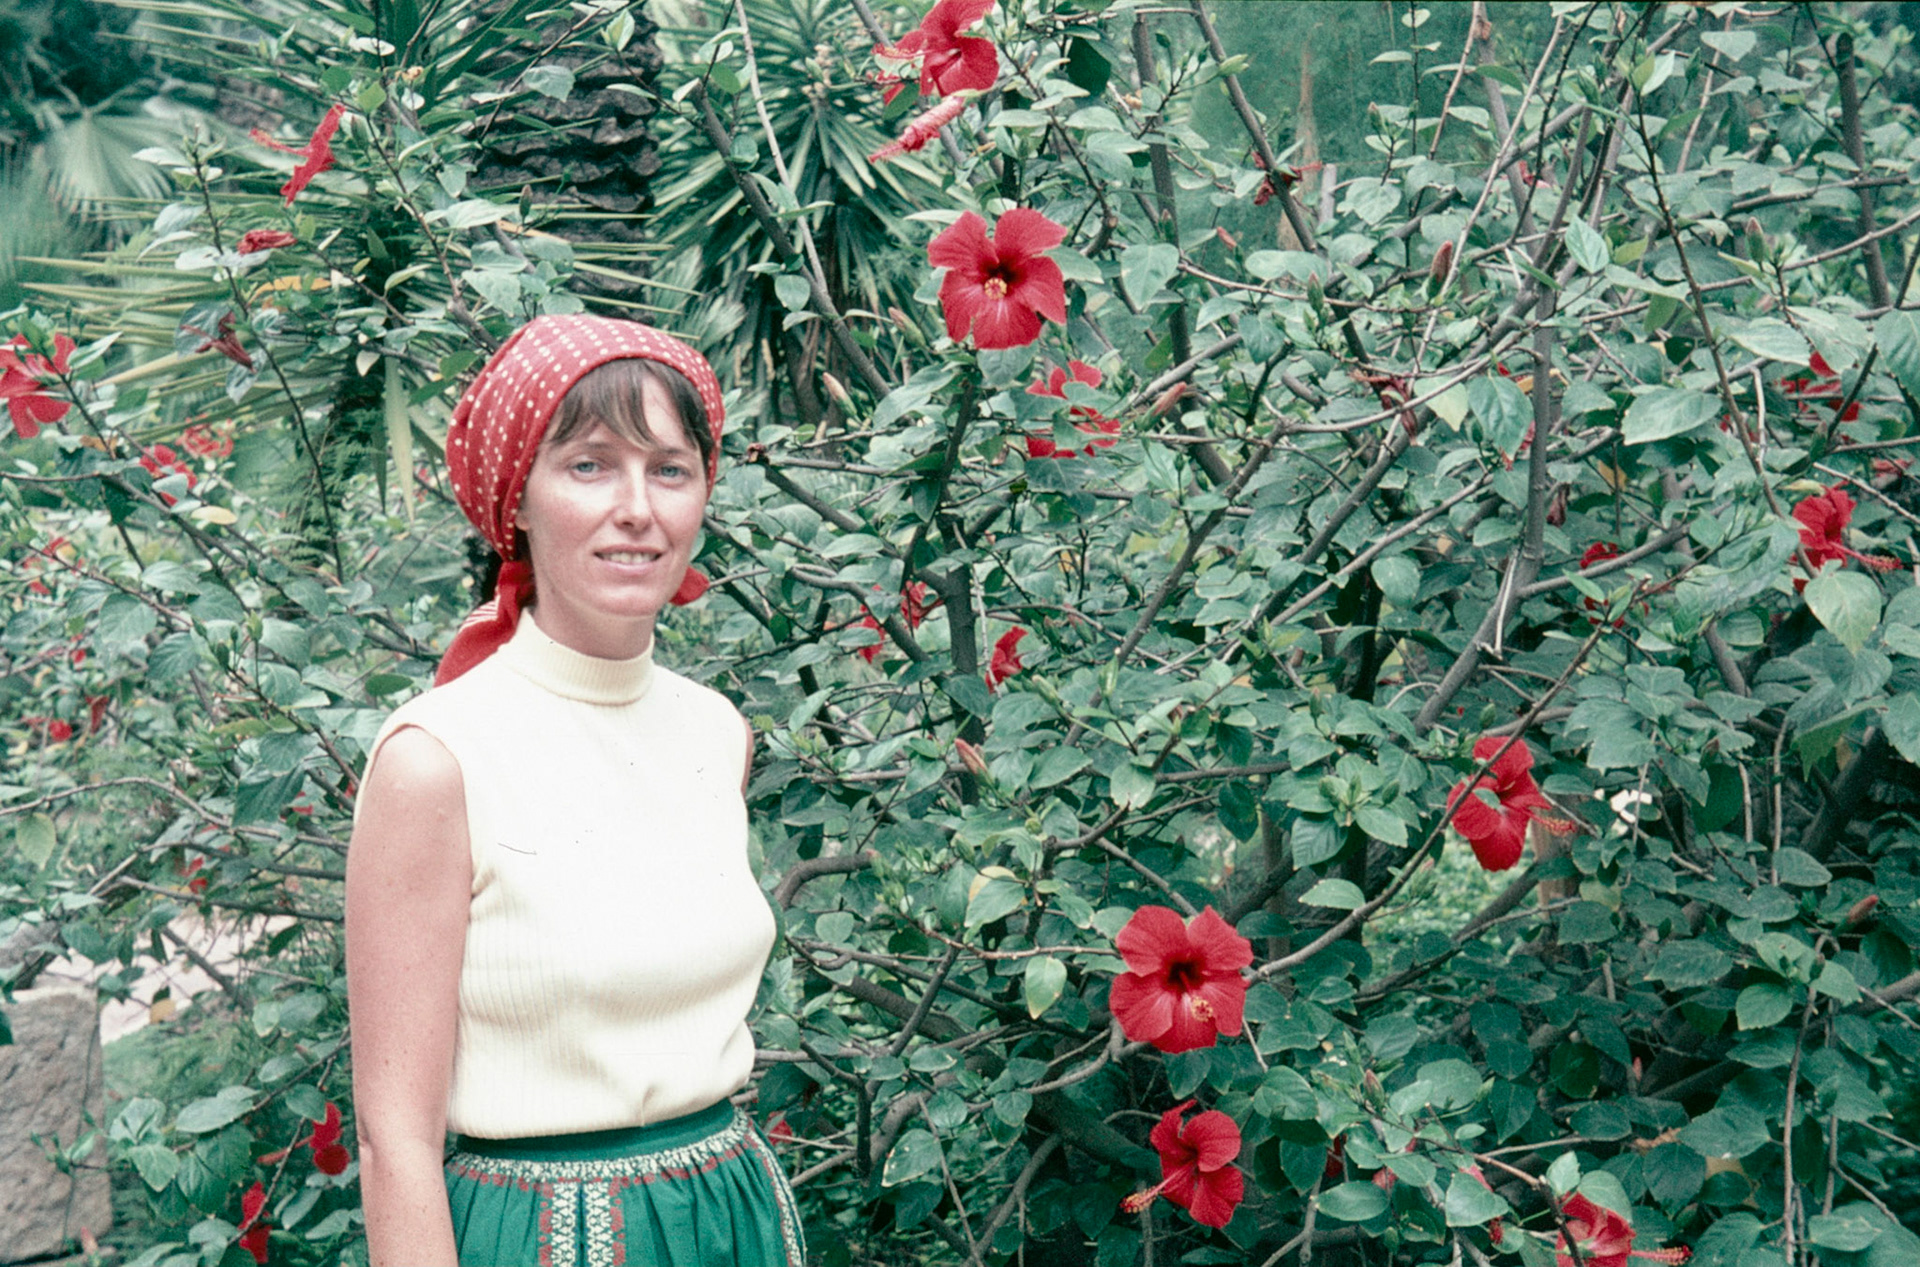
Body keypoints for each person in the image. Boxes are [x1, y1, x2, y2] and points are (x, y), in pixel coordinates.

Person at [345, 315, 804, 1267]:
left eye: (670, 469)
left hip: (731, 1221)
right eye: (590, 465)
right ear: (518, 496)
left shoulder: (716, 731)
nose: (637, 508)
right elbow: (397, 1142)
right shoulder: (437, 760)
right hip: (538, 1237)